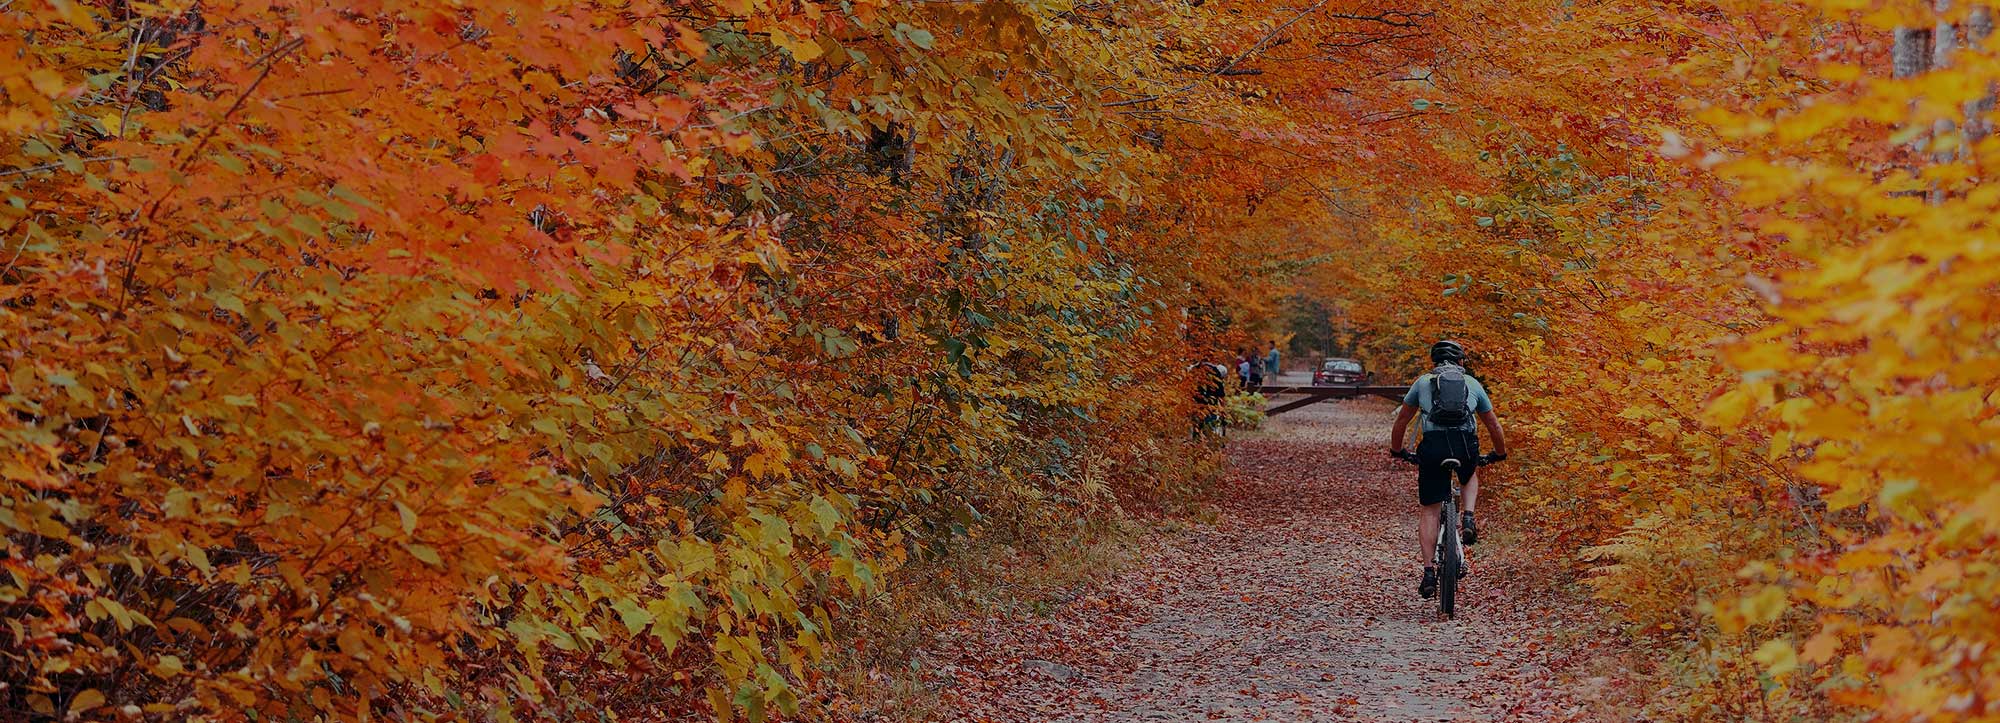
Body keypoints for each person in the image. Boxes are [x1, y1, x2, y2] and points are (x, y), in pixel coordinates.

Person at [1388, 339, 1508, 599]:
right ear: (1461, 361)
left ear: (1434, 361)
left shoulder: (1422, 383)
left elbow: (1401, 421)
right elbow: (1493, 425)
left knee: (1430, 510)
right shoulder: (1473, 384)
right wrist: (1500, 453)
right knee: (1469, 473)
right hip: (1465, 446)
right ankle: (1468, 516)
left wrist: (1397, 450)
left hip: (1433, 448)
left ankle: (1429, 571)